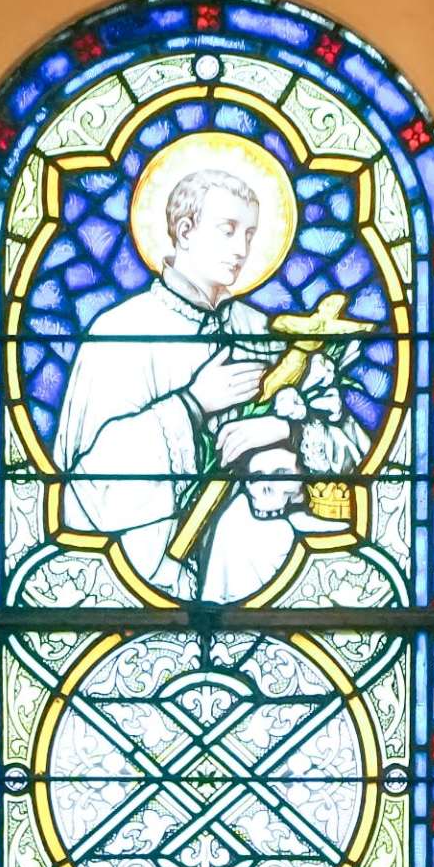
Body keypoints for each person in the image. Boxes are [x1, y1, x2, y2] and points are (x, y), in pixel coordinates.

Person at [50, 161, 364, 603]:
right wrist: (192, 406)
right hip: (146, 583)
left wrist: (286, 432)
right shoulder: (119, 331)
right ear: (184, 230)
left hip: (263, 583)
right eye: (228, 229)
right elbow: (88, 488)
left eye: (251, 234)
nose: (241, 248)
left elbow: (352, 454)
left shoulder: (266, 333)